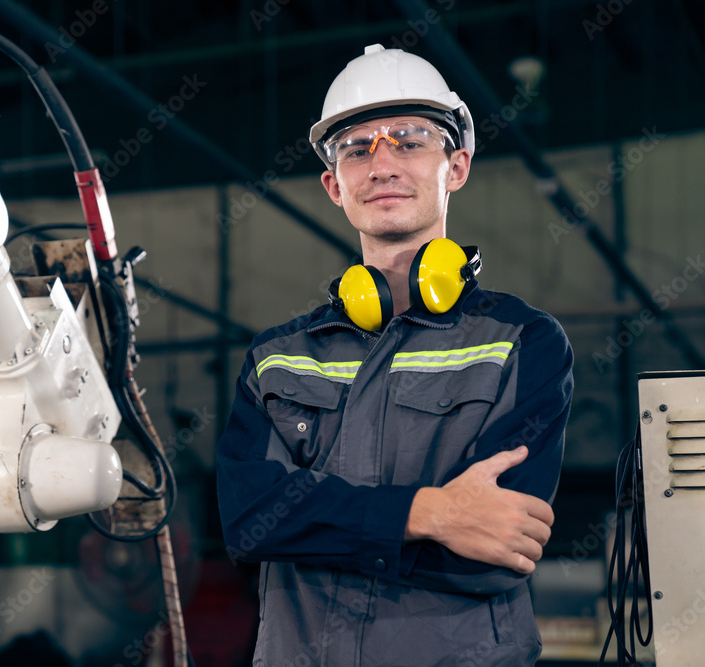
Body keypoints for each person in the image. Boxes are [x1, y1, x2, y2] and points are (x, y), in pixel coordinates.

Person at [215, 44, 573, 666]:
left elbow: (496, 551)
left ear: (456, 167)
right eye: (356, 148)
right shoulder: (278, 357)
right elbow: (250, 520)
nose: (381, 164)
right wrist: (429, 512)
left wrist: (316, 521)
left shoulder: (522, 342)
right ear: (333, 185)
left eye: (409, 140)